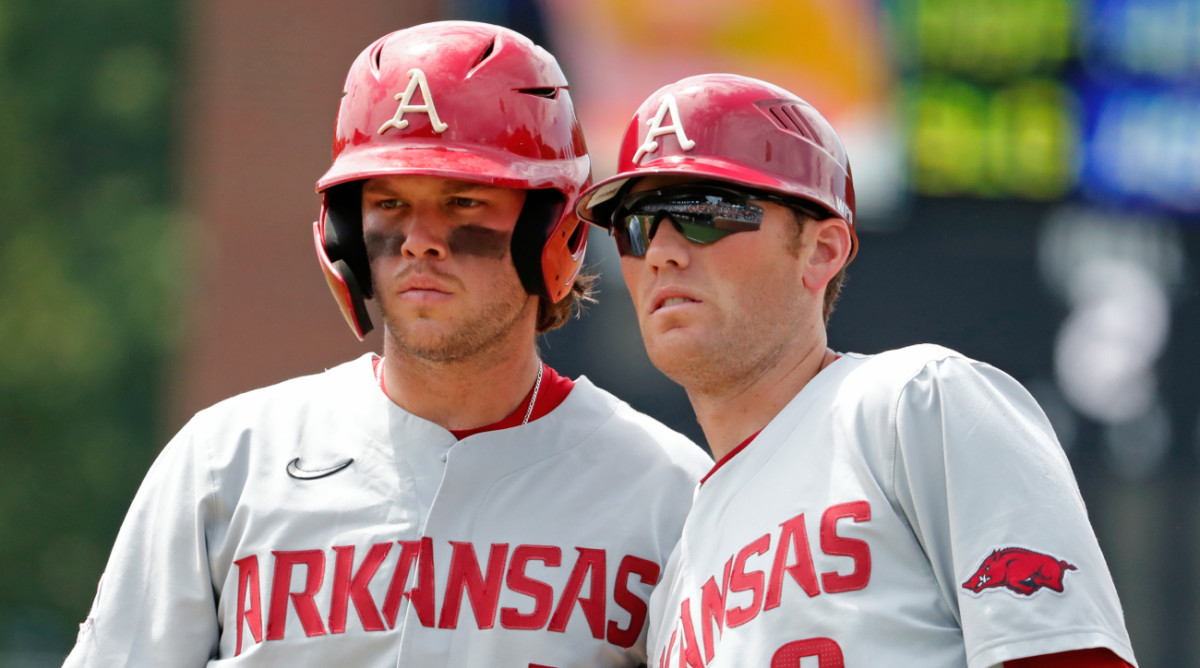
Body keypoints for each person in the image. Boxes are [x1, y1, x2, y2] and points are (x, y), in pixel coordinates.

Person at [63, 22, 710, 667]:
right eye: (390, 202)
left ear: (554, 234)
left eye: (463, 201)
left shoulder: (666, 493)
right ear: (344, 232)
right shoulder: (228, 461)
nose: (419, 239)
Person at [575, 73, 1138, 668]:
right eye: (636, 224)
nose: (661, 250)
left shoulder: (915, 403)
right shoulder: (676, 577)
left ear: (821, 250)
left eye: (702, 211)